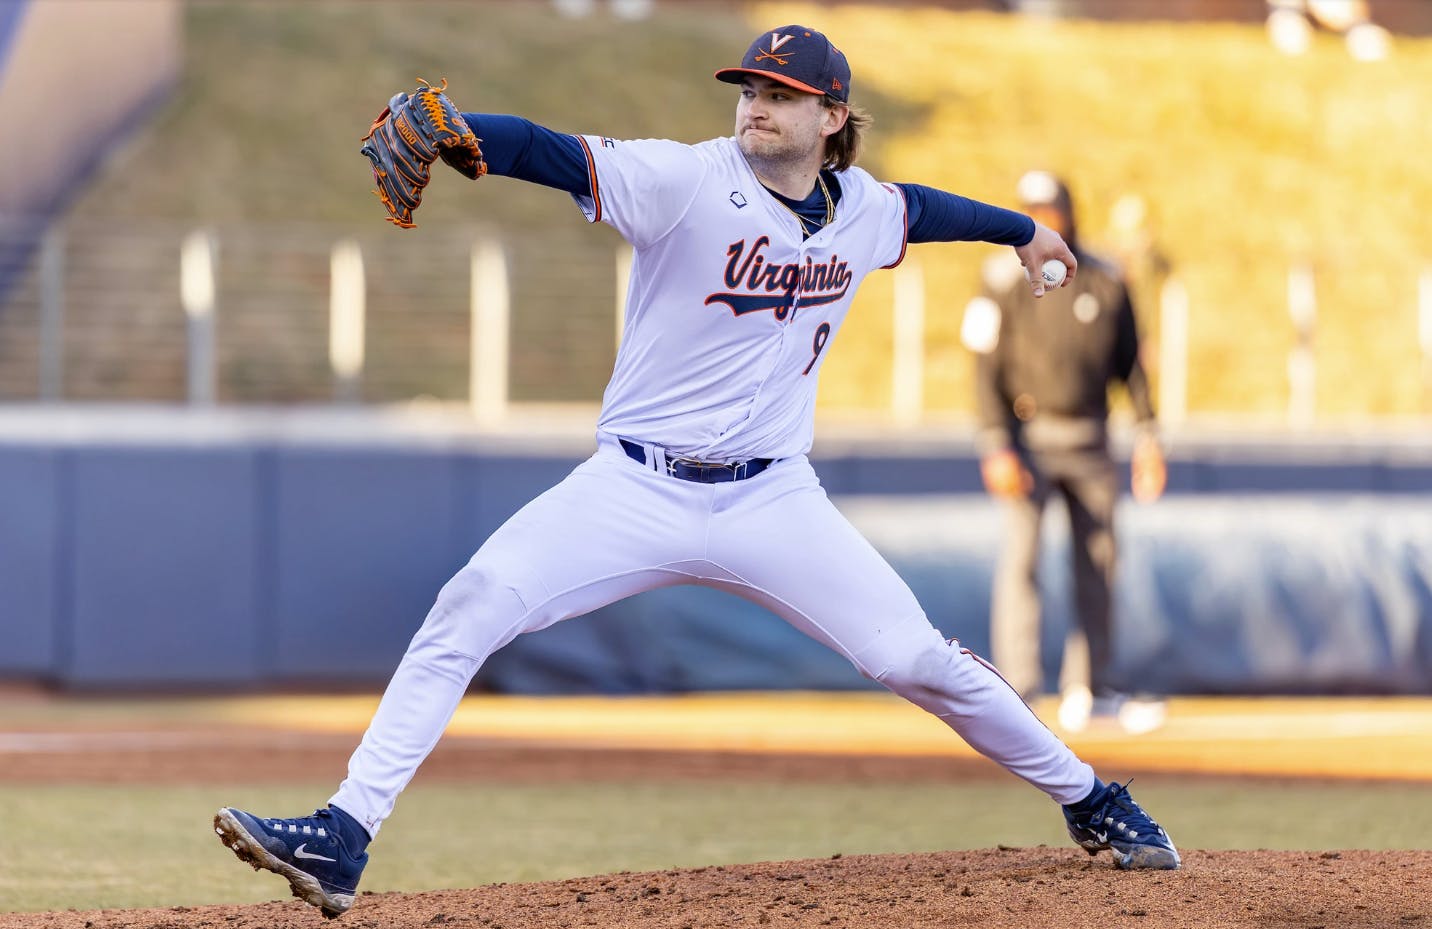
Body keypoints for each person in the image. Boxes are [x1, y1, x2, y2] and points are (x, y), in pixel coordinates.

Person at [212, 26, 1180, 918]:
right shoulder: (683, 180)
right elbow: (552, 153)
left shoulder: (862, 211)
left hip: (773, 497)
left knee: (916, 659)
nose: (757, 104)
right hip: (634, 487)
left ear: (832, 117)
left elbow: (926, 211)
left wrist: (1022, 231)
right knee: (471, 602)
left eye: (782, 93)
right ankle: (344, 833)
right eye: (750, 88)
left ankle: (1092, 797)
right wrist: (460, 131)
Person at [960, 170, 1167, 736]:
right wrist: (996, 444)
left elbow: (1133, 367)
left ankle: (1092, 688)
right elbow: (984, 366)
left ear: (1070, 213)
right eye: (1031, 210)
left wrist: (1148, 436)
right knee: (1021, 564)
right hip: (1028, 441)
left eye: (1050, 210)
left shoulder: (1105, 277)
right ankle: (1019, 691)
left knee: (1098, 563)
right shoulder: (1002, 279)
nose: (1042, 220)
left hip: (1090, 440)